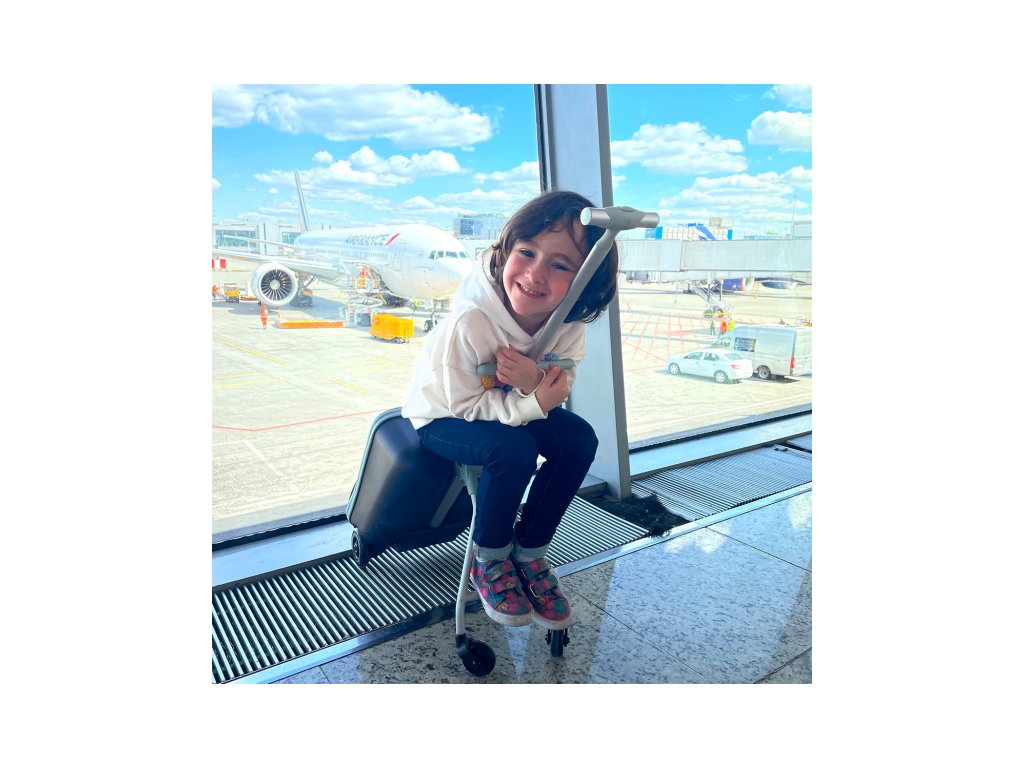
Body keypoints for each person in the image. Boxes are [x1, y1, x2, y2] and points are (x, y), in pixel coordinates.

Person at [402, 190, 618, 631]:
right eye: (527, 252)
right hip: (443, 415)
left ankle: (530, 551)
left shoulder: (568, 326)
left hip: (510, 405)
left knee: (579, 440)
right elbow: (465, 404)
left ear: (586, 280)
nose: (535, 274)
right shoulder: (471, 321)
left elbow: (558, 385)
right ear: (504, 251)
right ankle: (491, 557)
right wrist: (533, 400)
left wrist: (533, 384)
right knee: (512, 449)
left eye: (561, 265)